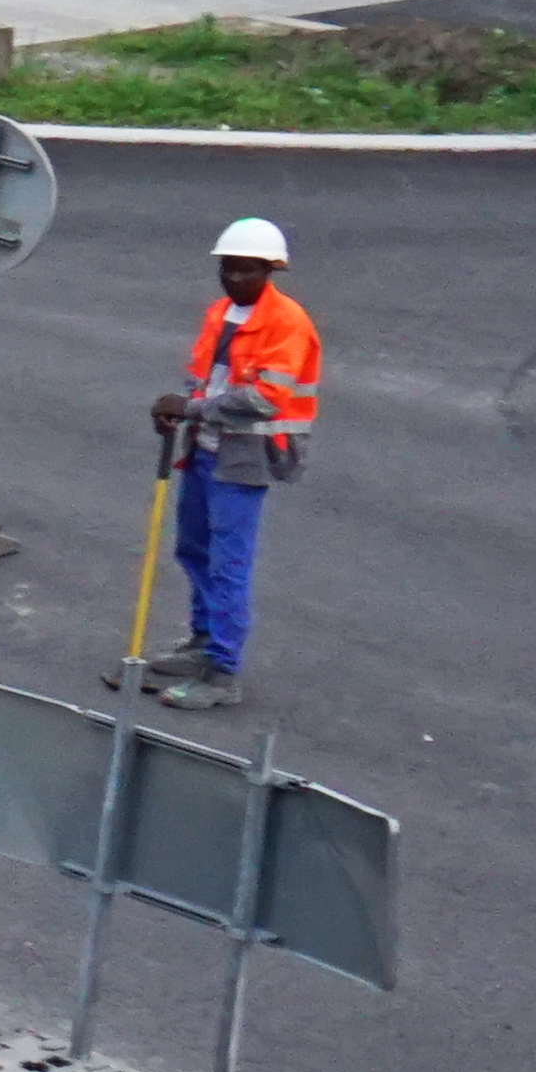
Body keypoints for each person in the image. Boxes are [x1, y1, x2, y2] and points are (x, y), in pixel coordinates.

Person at [139, 216, 323, 708]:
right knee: (193, 550)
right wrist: (176, 407)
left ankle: (223, 671)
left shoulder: (288, 322)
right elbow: (201, 377)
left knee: (229, 563)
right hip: (203, 450)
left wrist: (191, 409)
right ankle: (201, 642)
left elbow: (265, 399)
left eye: (246, 272)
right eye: (228, 271)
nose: (235, 280)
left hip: (247, 458)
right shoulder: (219, 314)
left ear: (270, 271)